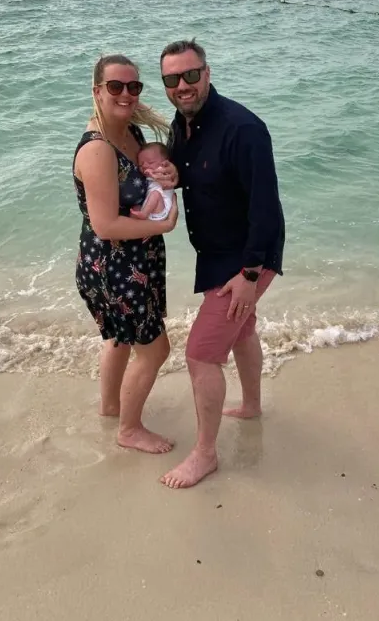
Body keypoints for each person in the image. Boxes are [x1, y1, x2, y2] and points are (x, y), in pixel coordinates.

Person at [158, 39, 285, 488]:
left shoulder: (243, 128)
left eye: (191, 75)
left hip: (247, 256)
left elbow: (266, 209)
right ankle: (251, 405)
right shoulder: (182, 124)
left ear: (207, 74)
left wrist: (250, 275)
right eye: (172, 79)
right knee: (242, 330)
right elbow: (188, 171)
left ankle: (205, 454)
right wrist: (171, 173)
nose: (182, 86)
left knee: (200, 354)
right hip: (215, 253)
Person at [72, 54, 179, 454]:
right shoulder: (98, 149)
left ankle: (111, 407)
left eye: (133, 86)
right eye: (115, 86)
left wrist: (170, 177)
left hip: (132, 261)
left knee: (119, 338)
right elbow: (106, 225)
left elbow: (150, 178)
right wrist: (163, 226)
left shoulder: (130, 132)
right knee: (155, 350)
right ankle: (129, 430)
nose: (126, 94)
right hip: (114, 267)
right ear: (97, 91)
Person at [131, 142, 175, 221]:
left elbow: (166, 184)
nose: (144, 166)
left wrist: (152, 174)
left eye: (150, 162)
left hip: (162, 209)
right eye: (141, 164)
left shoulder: (165, 173)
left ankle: (144, 214)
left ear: (165, 163)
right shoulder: (148, 176)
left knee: (155, 194)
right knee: (135, 208)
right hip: (151, 208)